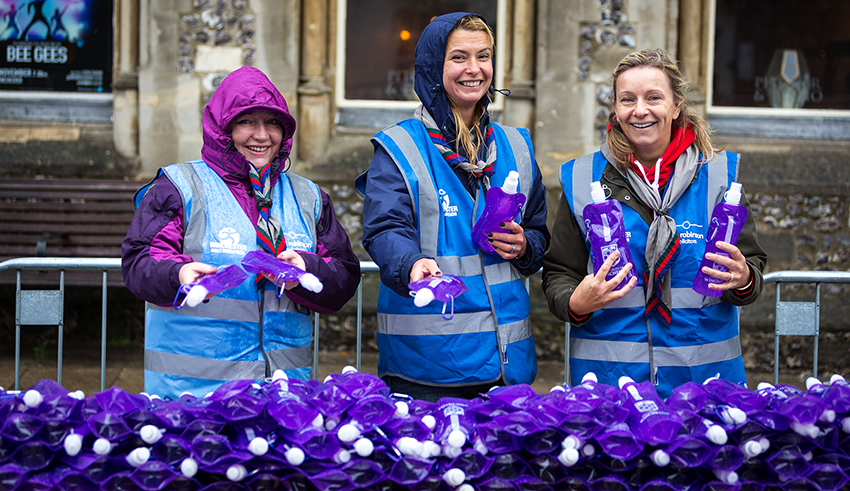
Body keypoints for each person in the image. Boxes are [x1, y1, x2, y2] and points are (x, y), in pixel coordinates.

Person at [122, 66, 361, 399]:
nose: (261, 135)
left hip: (284, 395)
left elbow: (344, 278)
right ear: (222, 129)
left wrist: (307, 271)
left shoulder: (309, 197)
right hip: (194, 397)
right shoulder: (179, 187)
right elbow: (139, 263)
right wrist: (177, 274)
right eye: (246, 121)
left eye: (272, 122)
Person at [542, 48, 767, 397]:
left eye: (654, 97)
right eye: (627, 99)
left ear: (676, 106)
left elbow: (751, 269)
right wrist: (575, 302)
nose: (640, 110)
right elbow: (558, 273)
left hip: (703, 385)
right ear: (615, 110)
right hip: (610, 386)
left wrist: (744, 278)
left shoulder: (719, 177)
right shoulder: (582, 178)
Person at [357, 12, 550, 402]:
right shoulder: (400, 147)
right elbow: (385, 228)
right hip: (428, 366)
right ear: (433, 66)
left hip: (507, 364)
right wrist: (410, 262)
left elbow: (539, 232)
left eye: (484, 56)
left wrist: (525, 245)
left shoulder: (517, 146)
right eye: (459, 57)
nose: (474, 69)